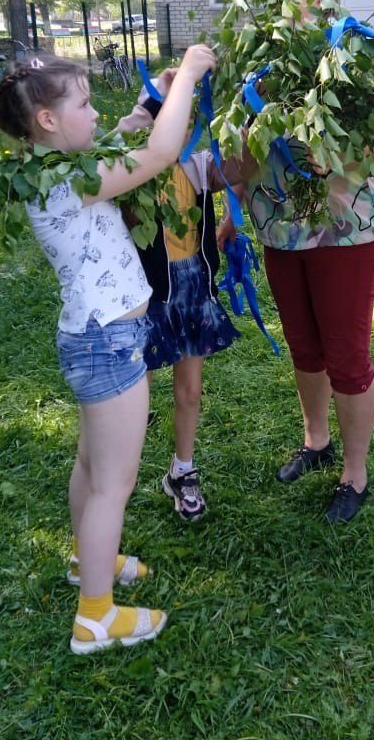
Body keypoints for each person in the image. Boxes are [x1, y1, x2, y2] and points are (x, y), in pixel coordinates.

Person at [0, 45, 217, 653]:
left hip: (94, 337)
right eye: (84, 104)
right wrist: (189, 79)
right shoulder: (72, 178)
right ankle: (95, 616)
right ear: (47, 121)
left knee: (92, 468)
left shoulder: (55, 168)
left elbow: (123, 137)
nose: (96, 114)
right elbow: (161, 153)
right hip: (108, 342)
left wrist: (156, 96)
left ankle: (87, 562)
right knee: (112, 484)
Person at [219, 0, 374, 523]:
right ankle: (317, 442)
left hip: (345, 231)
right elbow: (238, 161)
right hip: (279, 230)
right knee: (305, 346)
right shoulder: (259, 61)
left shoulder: (357, 53)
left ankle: (355, 472)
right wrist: (233, 204)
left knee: (346, 354)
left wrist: (320, 133)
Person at [117, 93, 240, 523]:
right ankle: (118, 477)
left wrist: (269, 125)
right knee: (133, 395)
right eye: (172, 121)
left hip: (192, 288)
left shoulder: (199, 166)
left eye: (188, 121)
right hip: (148, 297)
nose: (182, 131)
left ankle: (182, 471)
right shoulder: (129, 171)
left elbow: (249, 166)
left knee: (189, 391)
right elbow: (116, 144)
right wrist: (147, 107)